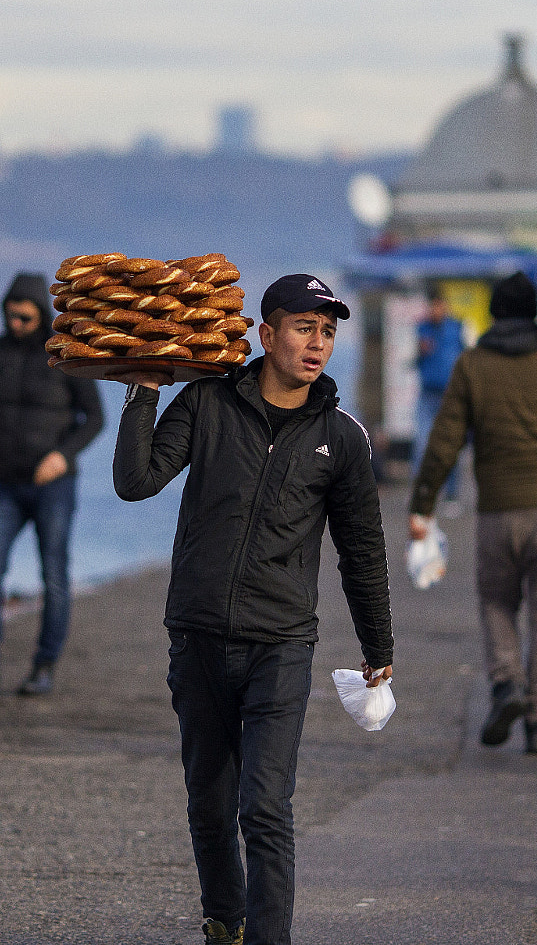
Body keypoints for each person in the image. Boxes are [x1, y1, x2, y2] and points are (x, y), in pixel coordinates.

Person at [114, 273, 393, 945]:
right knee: (210, 805)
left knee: (265, 806)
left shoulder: (343, 438)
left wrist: (378, 646)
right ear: (265, 335)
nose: (317, 342)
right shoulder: (208, 403)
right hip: (199, 634)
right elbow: (135, 480)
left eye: (327, 331)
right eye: (303, 327)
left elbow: (362, 550)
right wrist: (146, 389)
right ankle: (225, 921)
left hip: (281, 645)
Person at [408, 272, 537, 754]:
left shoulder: (472, 365)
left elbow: (444, 443)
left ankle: (507, 683)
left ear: (495, 316)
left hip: (500, 512)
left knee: (497, 602)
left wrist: (422, 505)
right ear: (536, 313)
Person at [0, 273, 104, 696]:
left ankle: (44, 666)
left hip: (53, 486)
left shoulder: (63, 351)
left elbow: (93, 418)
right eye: (10, 316)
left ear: (40, 313)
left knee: (53, 575)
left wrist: (63, 456)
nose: (15, 324)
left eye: (24, 317)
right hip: (4, 483)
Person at [412, 287, 465, 507]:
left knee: (450, 444)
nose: (435, 311)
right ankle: (421, 493)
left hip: (450, 395)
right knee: (422, 444)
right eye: (431, 306)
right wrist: (420, 353)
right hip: (427, 393)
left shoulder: (457, 327)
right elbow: (414, 362)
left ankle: (452, 493)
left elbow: (465, 358)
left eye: (438, 306)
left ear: (444, 306)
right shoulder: (422, 328)